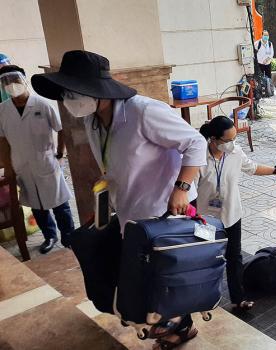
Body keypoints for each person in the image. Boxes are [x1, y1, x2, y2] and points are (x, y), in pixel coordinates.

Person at [31, 50, 207, 348]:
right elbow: (111, 169)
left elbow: (195, 142)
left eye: (74, 91)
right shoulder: (93, 121)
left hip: (163, 210)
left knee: (165, 273)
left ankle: (180, 325)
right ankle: (166, 322)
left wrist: (180, 187)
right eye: (66, 92)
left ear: (97, 90)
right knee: (146, 274)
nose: (69, 99)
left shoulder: (143, 111)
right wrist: (102, 209)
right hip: (130, 210)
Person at [197, 116, 276, 312]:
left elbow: (252, 167)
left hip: (231, 213)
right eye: (228, 140)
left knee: (234, 257)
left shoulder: (234, 153)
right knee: (204, 258)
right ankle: (201, 297)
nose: (233, 144)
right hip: (204, 219)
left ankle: (238, 298)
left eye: (235, 139)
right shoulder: (198, 158)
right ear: (213, 139)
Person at [0, 65, 74, 254]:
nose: (12, 86)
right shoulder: (3, 110)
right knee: (36, 204)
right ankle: (50, 236)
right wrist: (8, 167)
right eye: (6, 82)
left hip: (46, 161)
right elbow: (3, 141)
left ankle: (69, 236)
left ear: (23, 80)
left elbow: (61, 129)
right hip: (21, 165)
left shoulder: (41, 104)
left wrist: (59, 153)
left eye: (15, 81)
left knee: (59, 202)